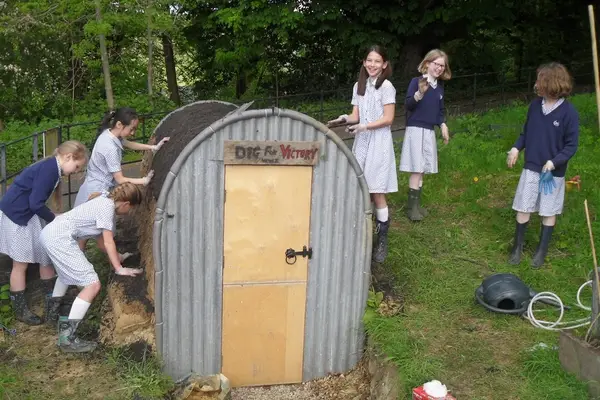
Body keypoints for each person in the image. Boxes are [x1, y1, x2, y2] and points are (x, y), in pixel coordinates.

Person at [41, 182, 144, 353]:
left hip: (50, 234)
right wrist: (119, 269)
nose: (129, 214)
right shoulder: (107, 208)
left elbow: (102, 244)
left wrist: (119, 257)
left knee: (66, 274)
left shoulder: (103, 200)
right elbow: (109, 241)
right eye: (131, 209)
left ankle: (52, 314)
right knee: (92, 284)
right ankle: (67, 338)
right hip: (59, 238)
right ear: (126, 203)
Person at [0, 141, 87, 325]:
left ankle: (52, 300)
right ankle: (20, 309)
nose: (76, 171)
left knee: (45, 255)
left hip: (28, 214)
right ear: (68, 157)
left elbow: (36, 203)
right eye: (77, 166)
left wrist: (53, 216)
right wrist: (55, 218)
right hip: (18, 216)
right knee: (20, 263)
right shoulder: (50, 170)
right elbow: (35, 203)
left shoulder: (53, 169)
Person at [327, 45, 398, 263]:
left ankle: (382, 237)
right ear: (364, 62)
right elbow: (355, 115)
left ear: (384, 64)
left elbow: (388, 118)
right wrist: (343, 119)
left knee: (376, 190)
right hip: (362, 142)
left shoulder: (387, 87)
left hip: (378, 142)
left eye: (377, 61)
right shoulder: (359, 86)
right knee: (360, 189)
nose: (372, 65)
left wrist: (365, 126)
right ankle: (360, 235)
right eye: (369, 60)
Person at [506, 62, 579, 268]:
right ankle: (517, 249)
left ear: (552, 83)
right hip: (531, 167)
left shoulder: (569, 112)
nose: (537, 84)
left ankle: (540, 252)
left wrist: (553, 162)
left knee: (548, 211)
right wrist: (515, 148)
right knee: (523, 206)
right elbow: (526, 133)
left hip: (552, 174)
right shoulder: (535, 106)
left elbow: (571, 145)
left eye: (540, 80)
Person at [73, 107, 168, 257]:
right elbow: (120, 179)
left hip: (91, 187)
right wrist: (144, 181)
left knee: (84, 232)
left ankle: (100, 260)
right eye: (132, 129)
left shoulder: (110, 135)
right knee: (100, 233)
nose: (133, 133)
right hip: (96, 191)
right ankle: (115, 262)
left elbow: (128, 143)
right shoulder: (109, 148)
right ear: (119, 125)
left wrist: (152, 147)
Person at [399, 49, 452, 221]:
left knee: (422, 169)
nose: (439, 68)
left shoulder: (439, 88)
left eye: (442, 66)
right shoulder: (417, 82)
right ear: (427, 63)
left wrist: (442, 124)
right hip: (416, 130)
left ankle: (416, 205)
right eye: (436, 64)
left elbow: (440, 111)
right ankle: (411, 209)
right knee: (417, 169)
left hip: (429, 131)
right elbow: (408, 105)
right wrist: (420, 93)